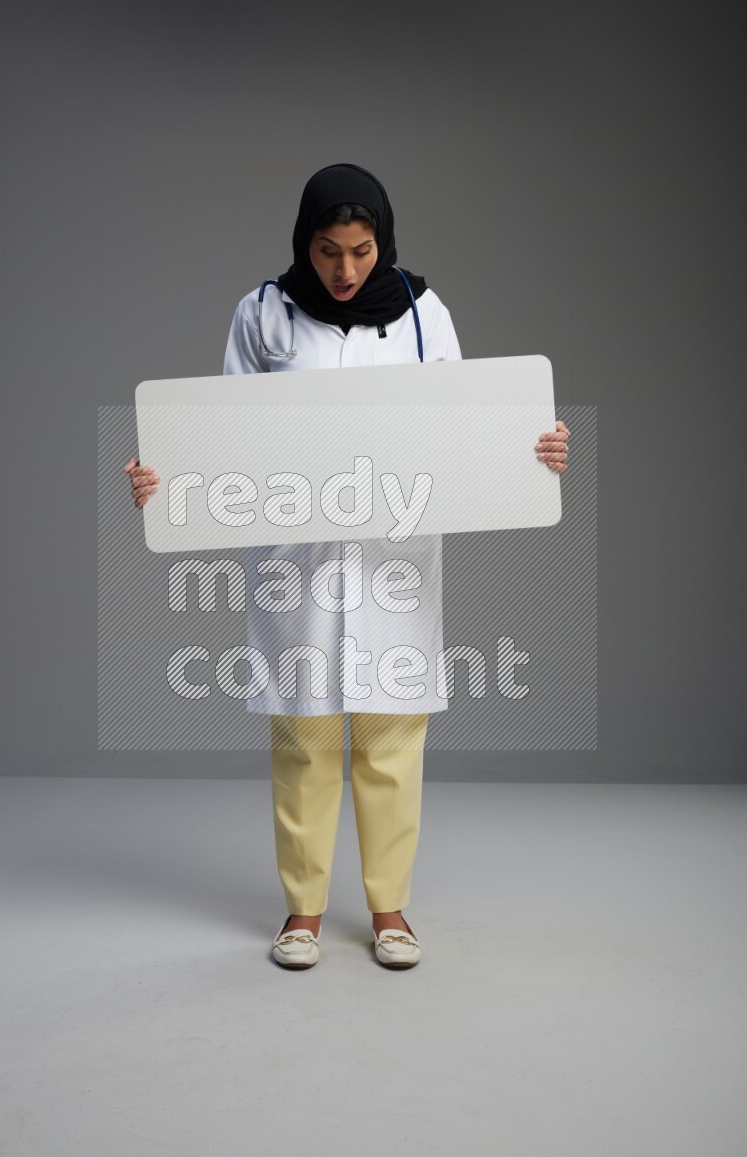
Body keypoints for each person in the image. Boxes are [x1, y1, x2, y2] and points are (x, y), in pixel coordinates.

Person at [124, 163, 570, 971]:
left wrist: (533, 449)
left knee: (394, 735)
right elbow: (220, 438)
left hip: (393, 560)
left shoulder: (425, 319)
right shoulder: (262, 315)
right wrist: (164, 480)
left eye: (361, 250)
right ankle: (303, 912)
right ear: (305, 242)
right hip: (294, 564)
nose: (344, 270)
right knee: (305, 736)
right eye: (328, 250)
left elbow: (469, 427)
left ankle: (390, 909)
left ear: (383, 242)